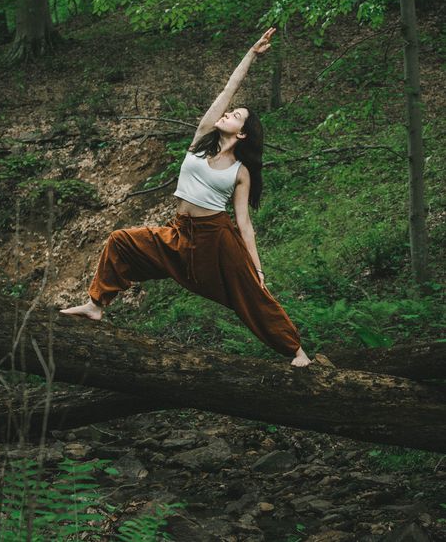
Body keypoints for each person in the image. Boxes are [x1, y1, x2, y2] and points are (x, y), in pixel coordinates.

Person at [60, 28, 312, 367]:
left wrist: (257, 267)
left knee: (250, 293)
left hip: (216, 241)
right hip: (178, 233)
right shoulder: (200, 140)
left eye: (235, 116)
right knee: (120, 241)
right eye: (232, 111)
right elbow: (228, 88)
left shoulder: (240, 172)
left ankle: (297, 352)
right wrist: (251, 54)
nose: (228, 113)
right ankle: (95, 305)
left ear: (241, 134)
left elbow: (244, 223)